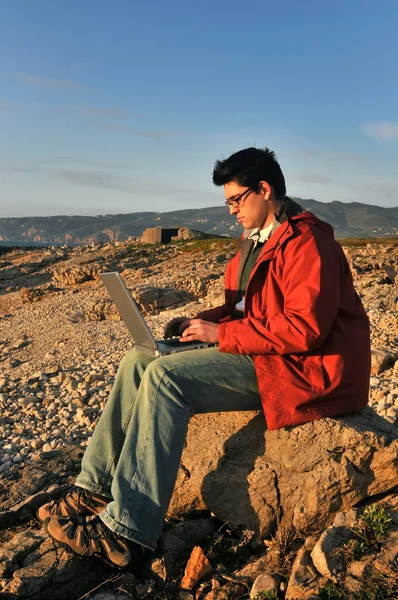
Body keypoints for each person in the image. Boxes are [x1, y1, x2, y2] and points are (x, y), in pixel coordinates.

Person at [38, 147, 371, 569]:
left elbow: (305, 330)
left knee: (165, 379)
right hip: (268, 354)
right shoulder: (255, 244)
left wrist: (222, 334)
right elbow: (243, 309)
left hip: (303, 370)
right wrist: (200, 321)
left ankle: (128, 530)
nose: (231, 210)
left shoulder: (307, 243)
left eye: (236, 199)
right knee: (137, 362)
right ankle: (95, 488)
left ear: (264, 189)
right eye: (227, 202)